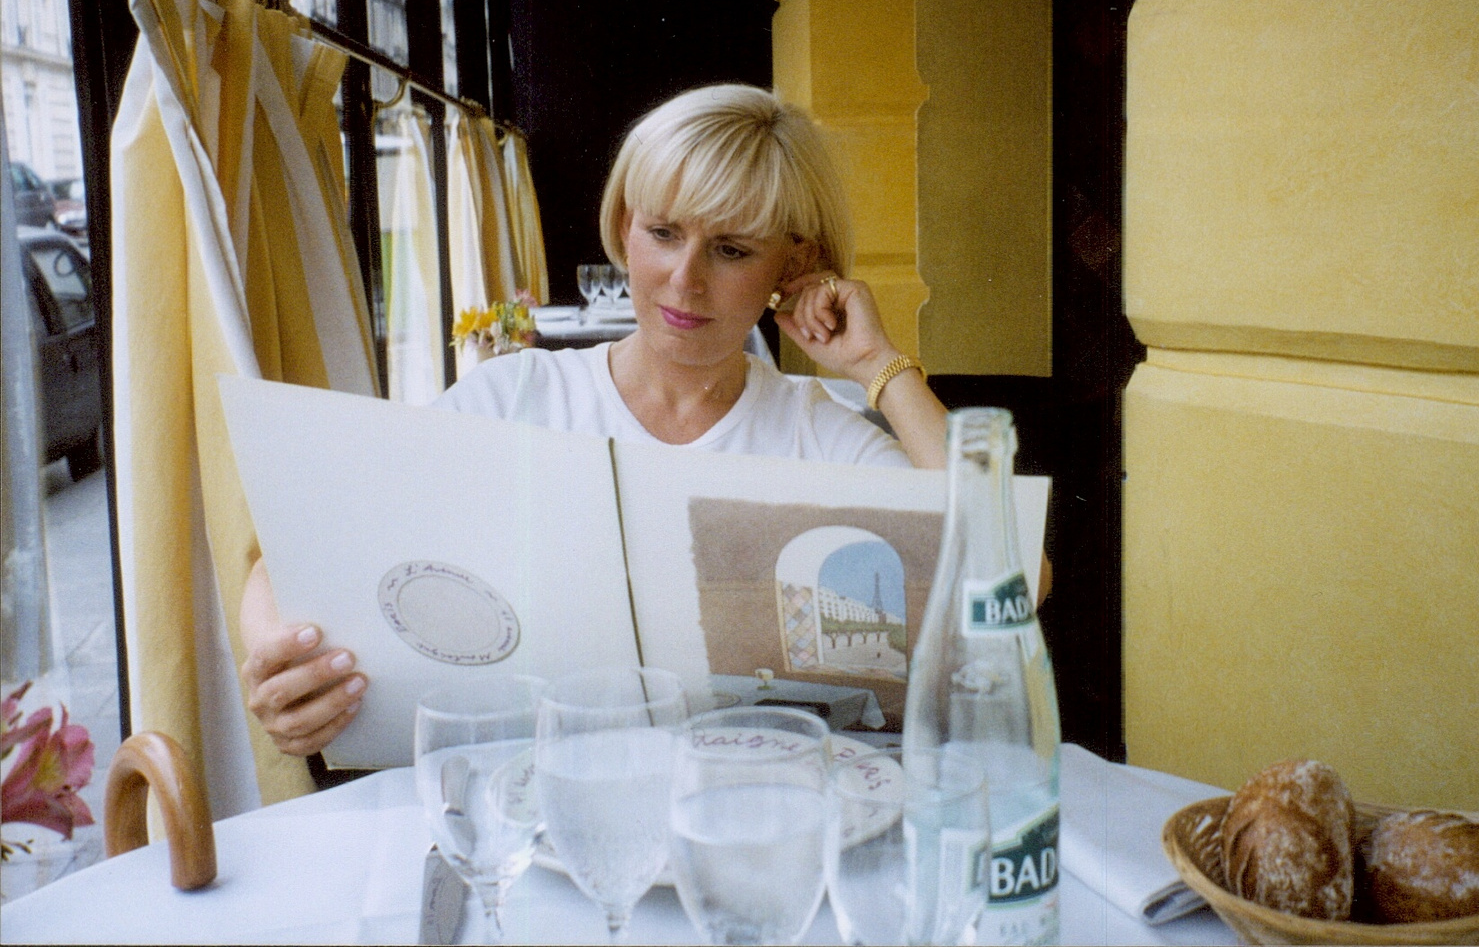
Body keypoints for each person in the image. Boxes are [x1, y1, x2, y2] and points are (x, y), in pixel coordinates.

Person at [238, 84, 952, 759]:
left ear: (795, 265)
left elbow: (1009, 575)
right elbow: (295, 550)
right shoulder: (510, 398)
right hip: (533, 811)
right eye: (664, 233)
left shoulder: (814, 431)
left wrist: (877, 364)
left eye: (732, 250)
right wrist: (282, 658)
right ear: (623, 226)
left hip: (746, 817)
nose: (685, 279)